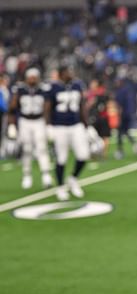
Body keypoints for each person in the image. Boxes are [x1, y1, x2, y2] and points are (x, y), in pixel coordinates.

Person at [45, 66, 89, 201]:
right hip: (60, 127)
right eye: (66, 72)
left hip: (76, 125)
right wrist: (48, 126)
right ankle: (60, 187)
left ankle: (73, 178)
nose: (69, 74)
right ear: (60, 74)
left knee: (83, 155)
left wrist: (86, 124)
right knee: (61, 158)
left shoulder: (77, 85)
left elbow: (82, 105)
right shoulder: (53, 87)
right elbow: (47, 107)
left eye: (70, 71)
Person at [7, 68, 53, 189]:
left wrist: (47, 124)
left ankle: (46, 175)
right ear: (26, 77)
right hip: (24, 121)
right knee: (26, 149)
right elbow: (12, 108)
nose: (32, 79)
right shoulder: (20, 89)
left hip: (38, 121)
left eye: (35, 77)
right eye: (30, 77)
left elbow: (47, 108)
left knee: (42, 148)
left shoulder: (43, 89)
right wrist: (11, 124)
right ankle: (27, 175)